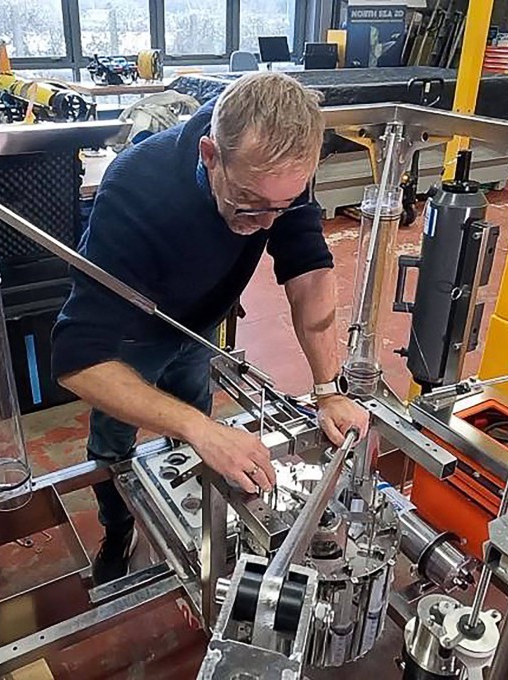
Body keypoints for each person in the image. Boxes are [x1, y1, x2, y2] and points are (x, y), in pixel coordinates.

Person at [52, 71, 370, 583]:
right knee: (114, 448)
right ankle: (117, 529)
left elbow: (309, 270)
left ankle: (188, 520)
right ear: (209, 155)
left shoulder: (278, 177)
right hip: (130, 338)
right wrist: (201, 430)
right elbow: (79, 359)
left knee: (192, 420)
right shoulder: (136, 191)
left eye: (281, 207)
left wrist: (329, 390)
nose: (266, 224)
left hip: (200, 328)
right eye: (249, 201)